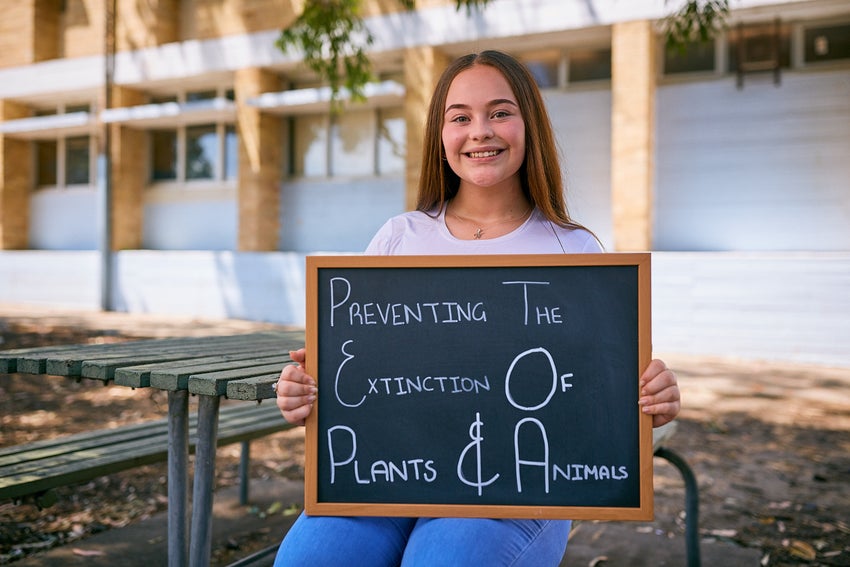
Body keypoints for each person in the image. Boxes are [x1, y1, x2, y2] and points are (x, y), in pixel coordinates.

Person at [273, 49, 681, 567]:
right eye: (460, 117)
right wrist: (304, 392)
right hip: (391, 476)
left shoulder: (572, 251)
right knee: (310, 559)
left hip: (520, 487)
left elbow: (603, 390)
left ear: (528, 125)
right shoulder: (399, 237)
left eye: (500, 112)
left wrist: (653, 396)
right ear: (440, 137)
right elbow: (355, 379)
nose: (479, 131)